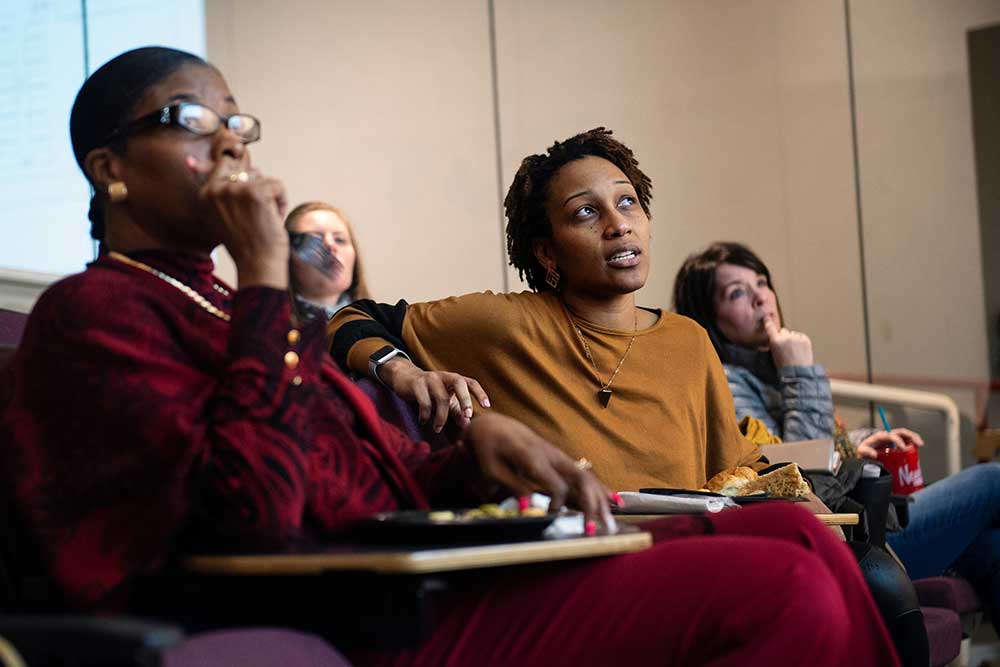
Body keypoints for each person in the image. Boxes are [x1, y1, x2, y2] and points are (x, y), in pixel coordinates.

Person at [0, 48, 900, 666]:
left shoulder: (232, 305)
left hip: (434, 572)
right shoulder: (92, 314)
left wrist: (466, 454)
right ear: (109, 167)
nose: (232, 143)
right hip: (367, 618)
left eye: (239, 121)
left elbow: (358, 481)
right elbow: (260, 511)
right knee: (784, 584)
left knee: (791, 531)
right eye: (194, 120)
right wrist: (272, 275)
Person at [329, 129, 765, 493]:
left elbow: (737, 472)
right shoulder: (507, 325)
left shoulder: (688, 341)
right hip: (570, 557)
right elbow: (350, 319)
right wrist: (406, 373)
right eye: (587, 212)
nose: (618, 224)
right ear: (547, 253)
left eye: (627, 202)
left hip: (687, 548)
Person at [673, 240, 1000, 631]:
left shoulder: (768, 367)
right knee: (992, 480)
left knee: (990, 546)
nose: (762, 298)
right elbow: (796, 477)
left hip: (866, 522)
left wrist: (856, 443)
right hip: (847, 541)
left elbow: (809, 449)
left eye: (762, 282)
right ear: (710, 318)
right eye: (738, 293)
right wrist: (800, 372)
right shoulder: (724, 382)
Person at [285, 201, 370, 323]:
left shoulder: (379, 327)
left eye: (339, 240)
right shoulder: (265, 325)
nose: (330, 245)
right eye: (314, 239)